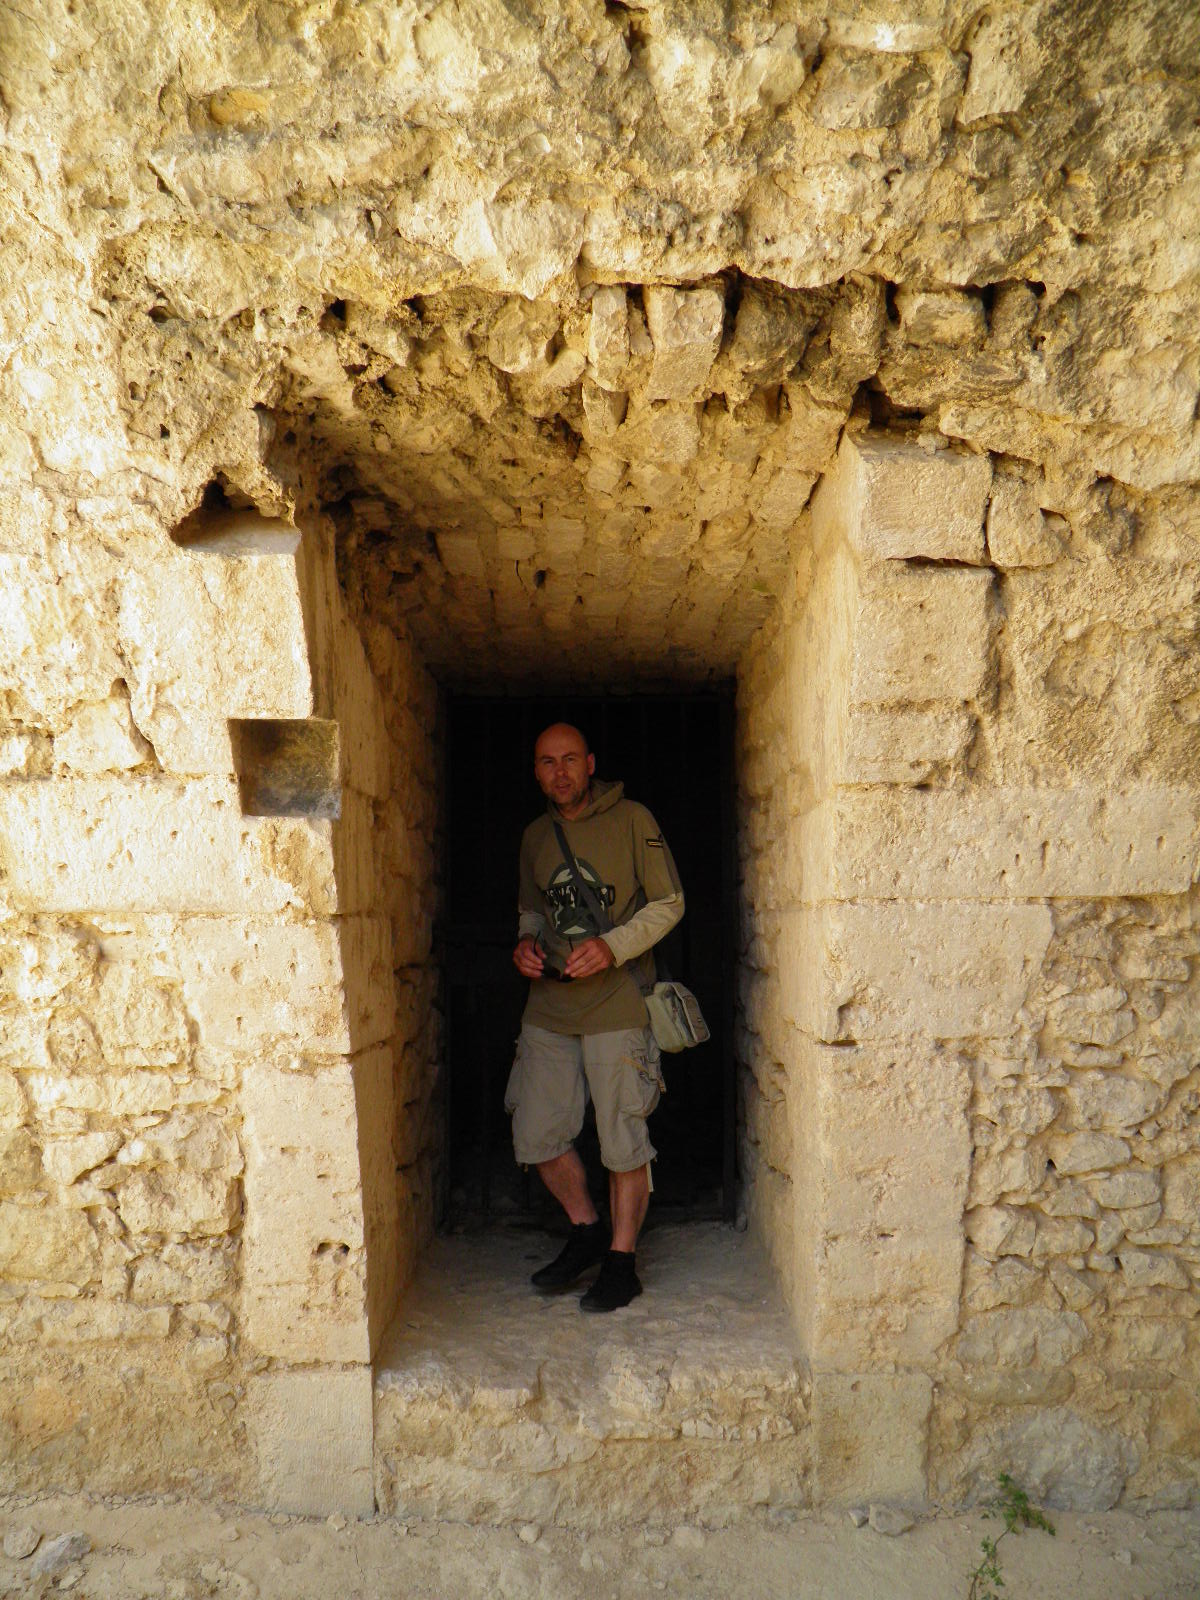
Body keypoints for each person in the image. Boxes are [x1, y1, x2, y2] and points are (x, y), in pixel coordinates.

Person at [507, 722, 684, 1312]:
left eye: (569, 760)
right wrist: (526, 944)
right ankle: (585, 1230)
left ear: (590, 764)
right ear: (536, 772)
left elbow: (670, 902)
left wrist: (613, 946)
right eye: (547, 761)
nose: (559, 772)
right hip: (550, 1006)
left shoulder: (632, 819)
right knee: (536, 1131)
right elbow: (533, 909)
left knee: (623, 1140)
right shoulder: (536, 836)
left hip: (618, 1005)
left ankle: (621, 1261)